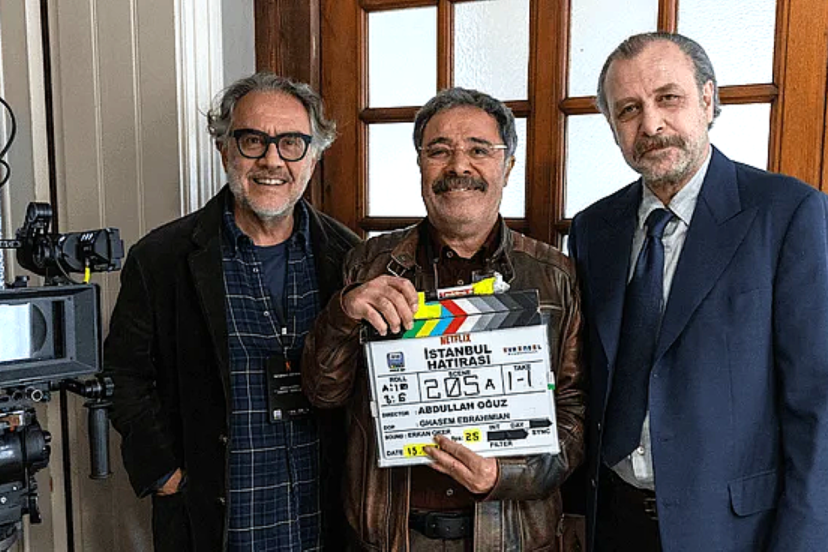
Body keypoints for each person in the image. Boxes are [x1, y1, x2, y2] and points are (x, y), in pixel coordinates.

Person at [568, 32, 828, 551]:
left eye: (668, 98)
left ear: (708, 100)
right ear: (613, 127)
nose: (651, 124)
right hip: (613, 522)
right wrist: (575, 507)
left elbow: (817, 403)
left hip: (734, 530)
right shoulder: (593, 229)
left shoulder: (787, 213)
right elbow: (589, 380)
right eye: (628, 110)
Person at [302, 87, 586, 551]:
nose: (458, 166)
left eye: (479, 150)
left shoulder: (556, 275)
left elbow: (573, 415)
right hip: (394, 534)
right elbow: (323, 393)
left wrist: (504, 474)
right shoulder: (367, 264)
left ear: (507, 166)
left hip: (510, 537)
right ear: (420, 164)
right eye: (439, 151)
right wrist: (344, 313)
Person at [104, 72, 360, 552]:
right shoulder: (160, 258)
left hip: (324, 516)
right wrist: (163, 474)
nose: (272, 160)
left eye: (291, 143)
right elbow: (124, 375)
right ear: (224, 150)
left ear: (315, 156)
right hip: (217, 518)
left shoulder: (348, 256)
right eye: (252, 140)